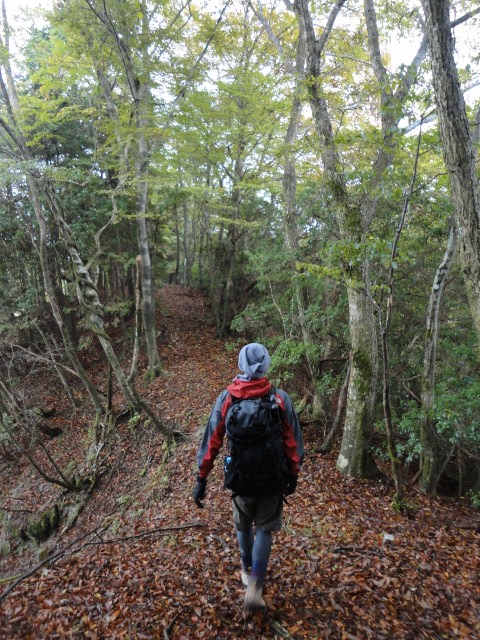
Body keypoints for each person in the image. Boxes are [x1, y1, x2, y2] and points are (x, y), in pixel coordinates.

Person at [192, 343, 304, 613]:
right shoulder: (279, 398)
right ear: (265, 364)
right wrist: (293, 472)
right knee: (265, 527)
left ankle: (245, 569)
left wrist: (201, 477)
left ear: (241, 364)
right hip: (272, 477)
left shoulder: (228, 398)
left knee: (243, 525)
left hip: (241, 477)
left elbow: (212, 439)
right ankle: (255, 584)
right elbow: (293, 440)